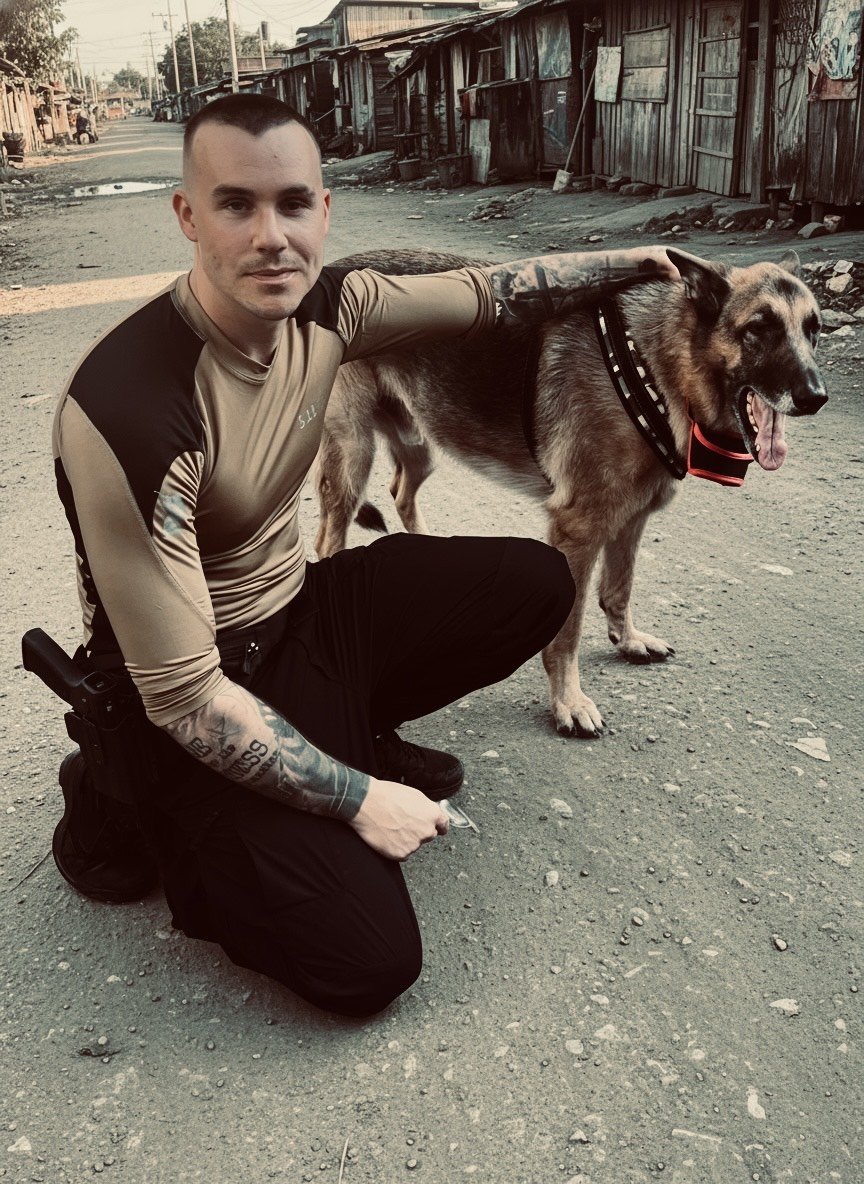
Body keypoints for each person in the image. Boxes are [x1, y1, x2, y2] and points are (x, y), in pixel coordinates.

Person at [51, 93, 679, 1018]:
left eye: (294, 203)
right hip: (195, 686)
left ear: (324, 212)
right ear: (187, 215)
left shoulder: (335, 308)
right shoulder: (129, 407)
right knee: (368, 962)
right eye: (235, 204)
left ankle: (346, 723)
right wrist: (354, 800)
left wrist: (638, 259)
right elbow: (186, 698)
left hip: (300, 614)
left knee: (535, 582)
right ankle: (120, 799)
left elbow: (494, 290)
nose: (272, 236)